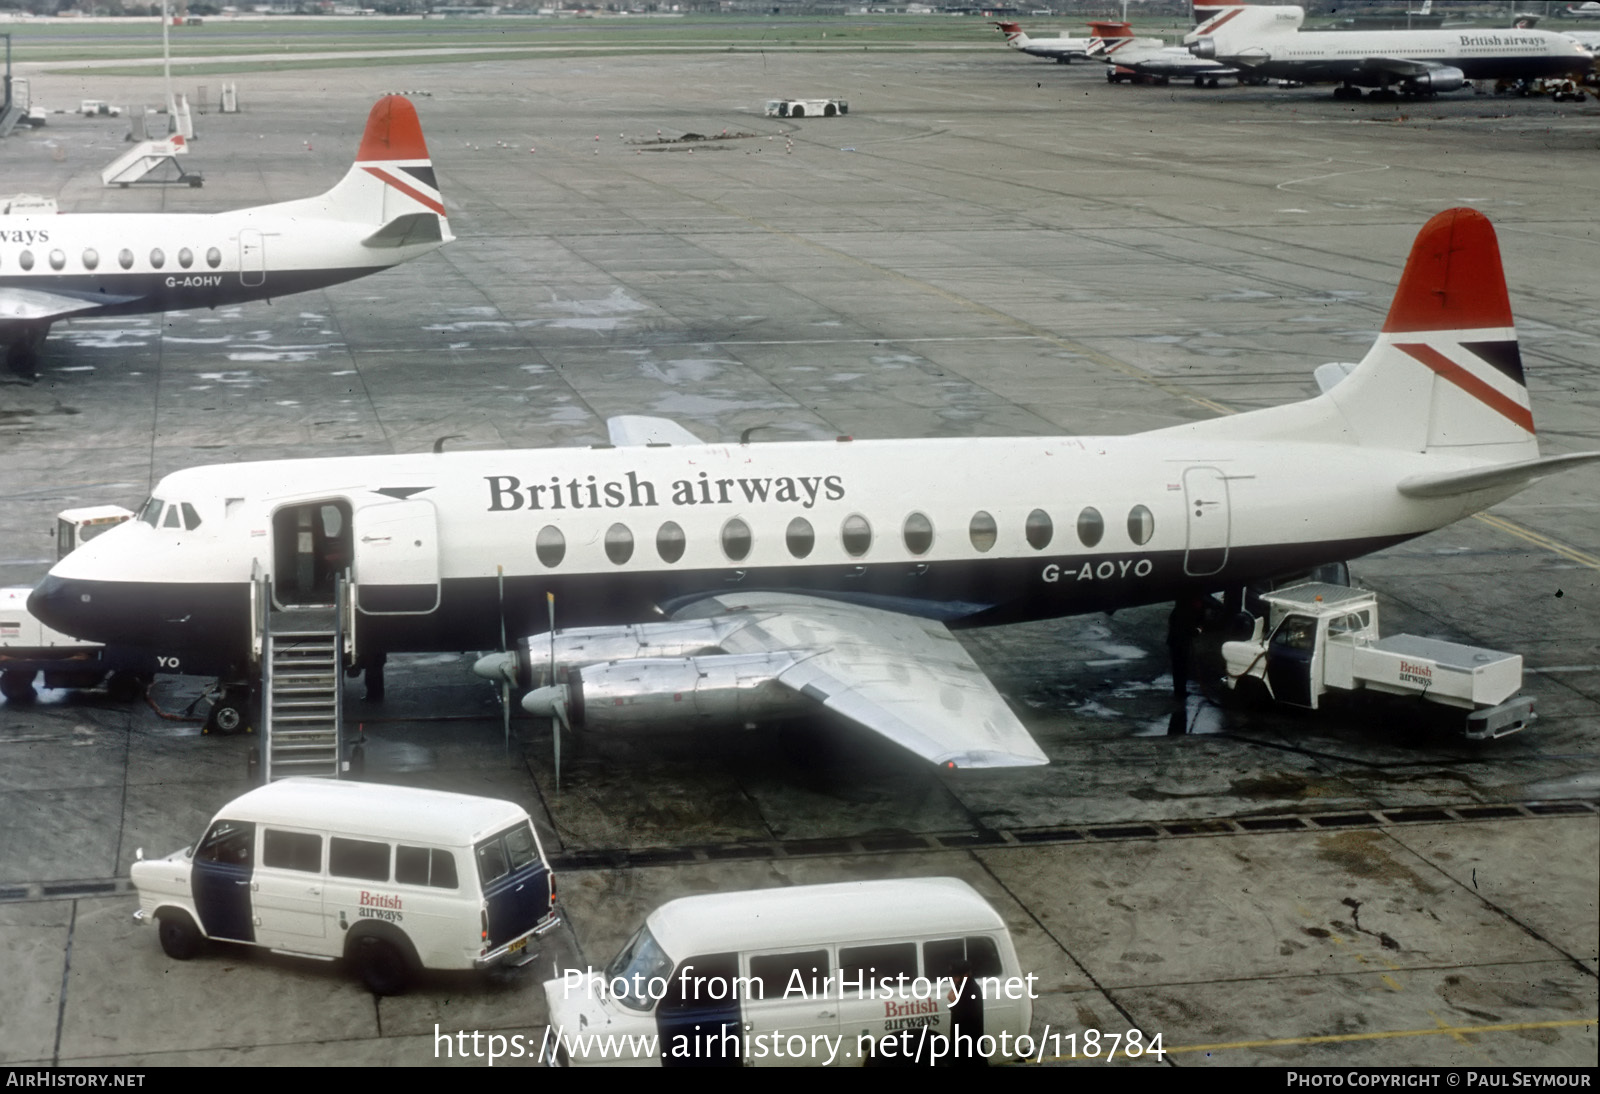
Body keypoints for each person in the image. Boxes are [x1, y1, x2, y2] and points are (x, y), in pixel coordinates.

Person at [1167, 594, 1207, 702]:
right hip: (1181, 643)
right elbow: (1191, 631)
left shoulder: (1178, 611)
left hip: (1175, 642)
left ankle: (1179, 690)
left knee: (1178, 668)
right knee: (1182, 667)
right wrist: (1199, 630)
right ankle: (1180, 691)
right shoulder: (1187, 613)